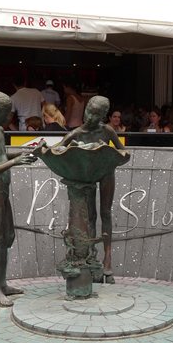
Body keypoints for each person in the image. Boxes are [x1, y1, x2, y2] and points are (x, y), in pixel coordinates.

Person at [0, 91, 37, 307]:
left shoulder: (0, 131)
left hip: (2, 188)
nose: (10, 116)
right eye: (5, 112)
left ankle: (2, 284)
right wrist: (15, 162)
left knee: (8, 236)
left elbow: (1, 155)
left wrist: (24, 153)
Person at [59, 96, 127, 283]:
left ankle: (108, 259)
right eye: (89, 111)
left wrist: (110, 155)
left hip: (105, 173)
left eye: (96, 114)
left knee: (106, 213)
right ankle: (89, 255)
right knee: (90, 215)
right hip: (87, 176)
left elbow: (122, 152)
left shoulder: (107, 131)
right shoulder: (76, 133)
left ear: (103, 116)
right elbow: (56, 152)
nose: (90, 116)